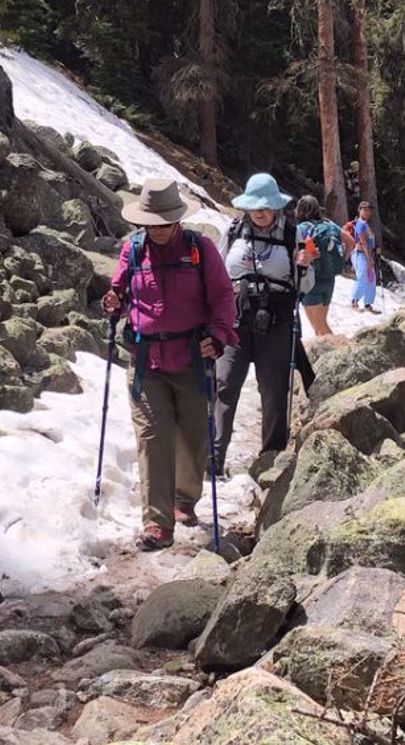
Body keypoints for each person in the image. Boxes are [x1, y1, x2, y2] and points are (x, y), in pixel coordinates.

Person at [102, 179, 238, 551]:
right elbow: (119, 290)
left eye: (165, 222)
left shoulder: (200, 250)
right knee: (153, 438)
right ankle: (156, 523)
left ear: (178, 220)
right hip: (146, 362)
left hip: (193, 360)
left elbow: (224, 296)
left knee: (193, 437)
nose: (159, 229)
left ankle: (184, 501)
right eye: (152, 223)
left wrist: (220, 334)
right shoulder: (132, 250)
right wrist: (113, 301)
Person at [214, 174, 315, 472]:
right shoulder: (232, 231)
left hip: (277, 321)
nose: (259, 212)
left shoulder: (292, 235)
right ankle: (213, 457)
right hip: (236, 319)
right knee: (224, 383)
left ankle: (270, 456)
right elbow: (218, 274)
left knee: (273, 389)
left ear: (276, 207)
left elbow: (305, 286)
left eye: (266, 206)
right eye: (254, 207)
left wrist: (305, 266)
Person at [293, 195, 343, 336]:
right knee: (320, 327)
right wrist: (341, 259)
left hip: (311, 282)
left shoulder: (301, 229)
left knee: (321, 328)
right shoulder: (330, 225)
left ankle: (341, 353)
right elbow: (350, 241)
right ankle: (322, 356)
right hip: (329, 279)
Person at [347, 200, 381, 313]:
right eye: (365, 209)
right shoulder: (360, 225)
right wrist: (369, 257)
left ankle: (368, 304)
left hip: (366, 254)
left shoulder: (366, 225)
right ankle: (354, 301)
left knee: (371, 279)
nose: (367, 212)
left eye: (369, 210)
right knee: (362, 277)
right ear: (359, 210)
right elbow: (363, 242)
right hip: (360, 254)